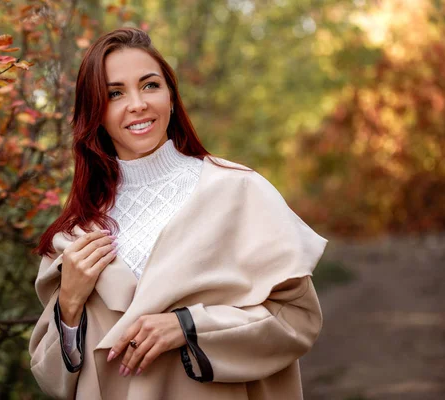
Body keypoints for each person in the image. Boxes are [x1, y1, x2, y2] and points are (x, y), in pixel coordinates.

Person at [29, 27, 327, 400]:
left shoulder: (238, 191)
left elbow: (297, 320)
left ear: (171, 97)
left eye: (150, 85)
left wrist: (188, 326)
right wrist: (69, 305)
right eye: (115, 93)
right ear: (96, 112)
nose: (137, 104)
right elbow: (51, 378)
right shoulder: (76, 233)